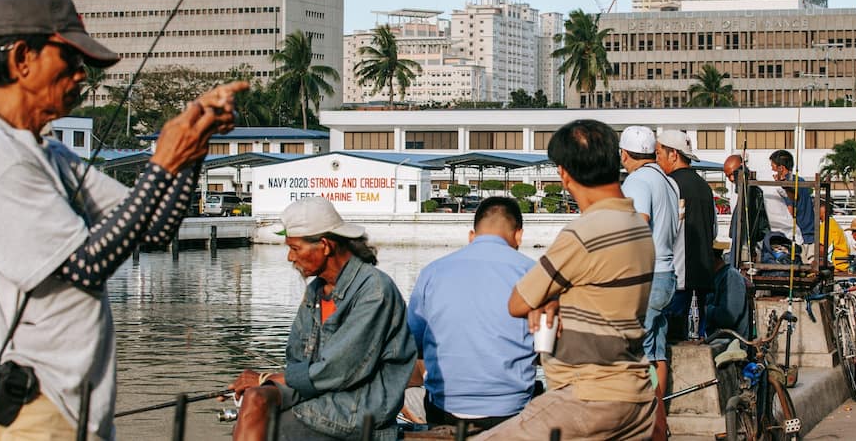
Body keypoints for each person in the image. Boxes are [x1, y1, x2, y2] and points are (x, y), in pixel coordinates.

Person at [0, 0, 242, 440]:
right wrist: (162, 164)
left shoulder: (48, 153)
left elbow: (152, 229)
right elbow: (86, 264)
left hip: (72, 408)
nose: (81, 75)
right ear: (21, 59)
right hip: (26, 412)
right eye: (71, 60)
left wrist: (192, 151)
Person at [478, 119, 656, 440]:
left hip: (589, 396)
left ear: (563, 173)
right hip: (636, 393)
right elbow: (599, 286)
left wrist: (545, 299)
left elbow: (518, 302)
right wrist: (557, 299)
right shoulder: (636, 225)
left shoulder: (585, 231)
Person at [225, 197, 415, 440]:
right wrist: (261, 385)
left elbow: (340, 369)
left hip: (357, 406)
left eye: (295, 249)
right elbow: (296, 360)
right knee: (255, 399)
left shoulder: (375, 289)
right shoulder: (316, 291)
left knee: (271, 428)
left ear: (324, 245)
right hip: (318, 393)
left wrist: (265, 377)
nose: (290, 258)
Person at [407, 197, 535, 433]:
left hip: (444, 409)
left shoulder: (432, 272)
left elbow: (413, 343)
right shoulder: (533, 272)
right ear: (519, 235)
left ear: (471, 236)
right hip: (510, 410)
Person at [617, 125, 679, 438]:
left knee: (632, 354)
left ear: (624, 155)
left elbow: (639, 226)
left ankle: (645, 423)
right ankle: (659, 420)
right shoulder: (668, 182)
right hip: (667, 275)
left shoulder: (637, 181)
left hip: (646, 277)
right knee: (656, 353)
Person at [655, 129, 716, 342]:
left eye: (659, 154)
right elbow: (714, 230)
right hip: (703, 275)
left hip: (678, 275)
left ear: (673, 154)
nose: (657, 160)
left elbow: (667, 229)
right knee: (699, 337)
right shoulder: (705, 187)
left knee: (672, 337)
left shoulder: (669, 185)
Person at [769, 150, 815, 263]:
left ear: (781, 168)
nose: (771, 170)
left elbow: (790, 211)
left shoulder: (787, 185)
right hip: (810, 235)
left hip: (799, 238)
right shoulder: (801, 181)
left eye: (773, 167)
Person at [723, 155, 770, 263]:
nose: (730, 179)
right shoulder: (735, 193)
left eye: (732, 174)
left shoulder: (754, 189)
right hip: (739, 244)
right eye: (727, 176)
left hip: (753, 246)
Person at [703, 241, 751, 338]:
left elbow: (728, 317)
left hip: (731, 344)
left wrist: (705, 310)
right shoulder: (714, 278)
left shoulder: (731, 277)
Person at [820, 202, 850, 272]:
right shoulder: (834, 223)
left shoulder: (826, 225)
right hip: (842, 264)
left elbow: (822, 249)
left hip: (834, 265)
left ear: (823, 210)